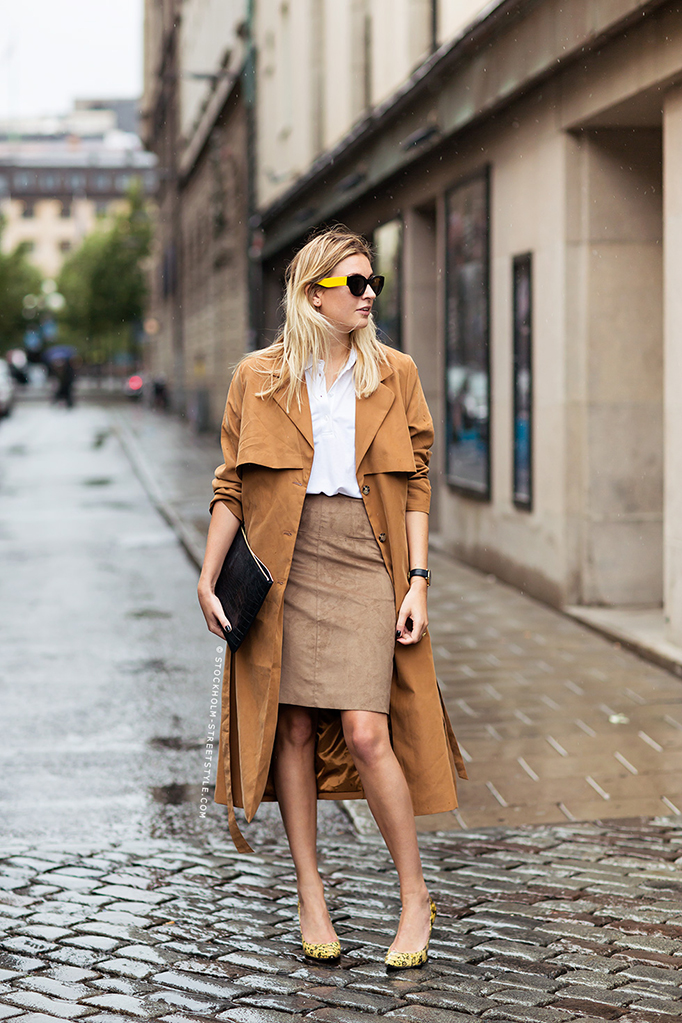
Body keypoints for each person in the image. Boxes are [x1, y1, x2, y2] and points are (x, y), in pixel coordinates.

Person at [198, 226, 467, 970]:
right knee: (289, 730)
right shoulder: (258, 376)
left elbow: (415, 480)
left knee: (366, 728)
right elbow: (231, 484)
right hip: (284, 561)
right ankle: (310, 892)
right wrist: (207, 572)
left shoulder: (394, 372)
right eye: (355, 283)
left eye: (372, 282)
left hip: (364, 559)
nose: (369, 294)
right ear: (313, 292)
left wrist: (417, 581)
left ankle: (415, 895)